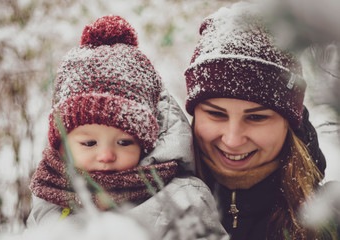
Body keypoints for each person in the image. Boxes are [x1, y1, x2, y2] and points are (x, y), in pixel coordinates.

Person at [26, 15, 229, 240]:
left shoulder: (182, 200)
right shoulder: (50, 197)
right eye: (89, 143)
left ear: (146, 145)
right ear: (62, 145)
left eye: (124, 142)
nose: (106, 155)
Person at [184, 2, 337, 240]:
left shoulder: (330, 222)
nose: (233, 140)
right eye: (216, 114)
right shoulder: (153, 208)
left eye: (256, 117)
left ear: (289, 123)